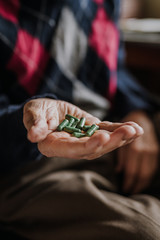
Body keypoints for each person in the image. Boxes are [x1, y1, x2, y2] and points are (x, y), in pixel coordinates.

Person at [0, 0, 160, 239]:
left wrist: (137, 112)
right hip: (25, 161)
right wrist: (25, 119)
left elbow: (115, 71)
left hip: (107, 128)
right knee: (146, 231)